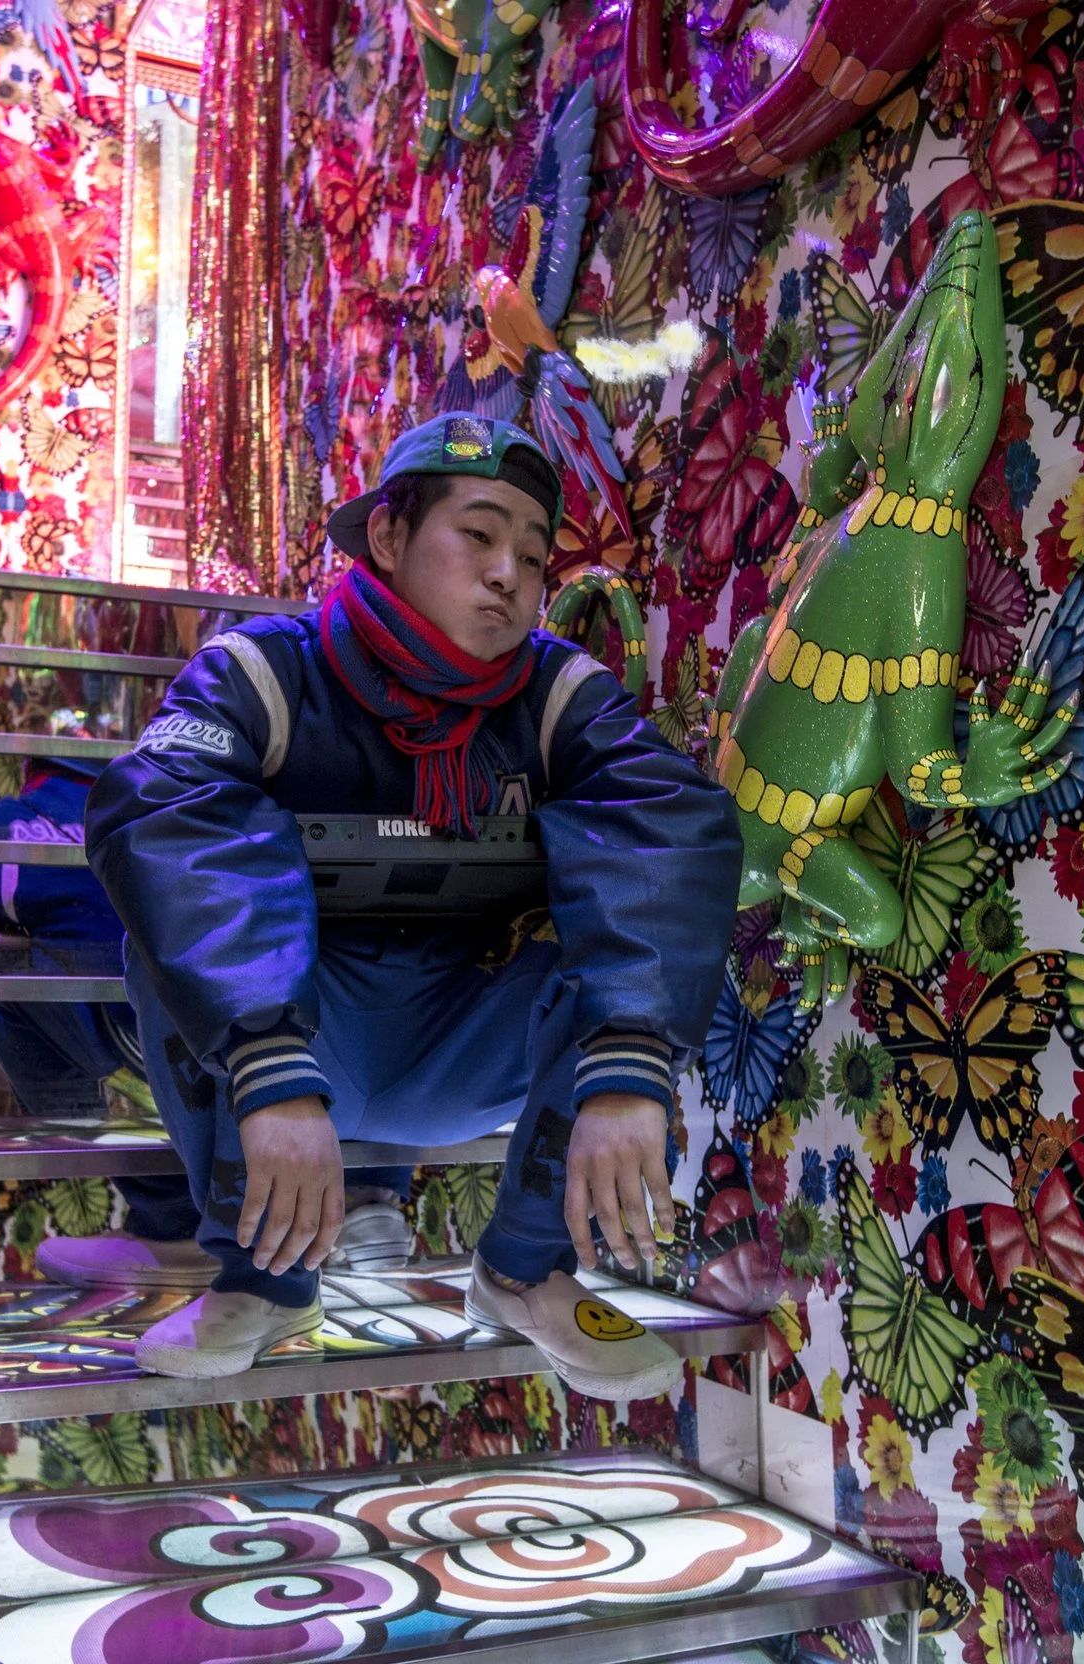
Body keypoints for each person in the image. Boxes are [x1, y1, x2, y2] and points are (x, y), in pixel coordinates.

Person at [87, 413, 743, 1400]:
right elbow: (167, 811)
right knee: (165, 932)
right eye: (476, 534)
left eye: (531, 552)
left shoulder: (560, 694)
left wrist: (629, 1059)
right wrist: (268, 1051)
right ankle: (265, 1278)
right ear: (388, 537)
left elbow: (666, 823)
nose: (508, 574)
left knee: (656, 928)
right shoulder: (265, 671)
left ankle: (526, 1269)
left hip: (468, 1037)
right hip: (308, 1047)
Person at [0, 754, 416, 1285]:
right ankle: (369, 1190)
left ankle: (171, 1225)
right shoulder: (225, 788)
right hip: (312, 1008)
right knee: (356, 951)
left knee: (4, 972)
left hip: (156, 1022)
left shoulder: (13, 819)